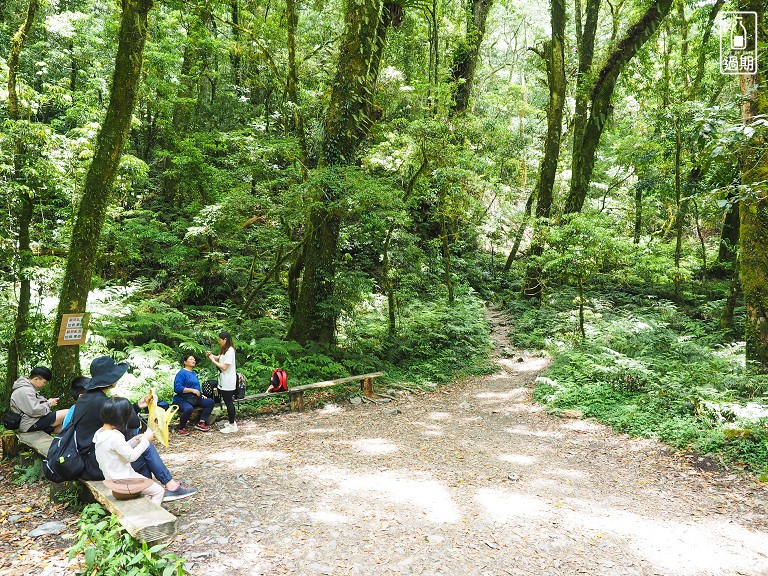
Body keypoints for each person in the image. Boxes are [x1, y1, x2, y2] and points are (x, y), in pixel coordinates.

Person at [69, 356, 197, 501]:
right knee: (146, 447)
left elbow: (119, 418)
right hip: (99, 466)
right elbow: (133, 423)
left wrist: (137, 406)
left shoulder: (86, 399)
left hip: (88, 459)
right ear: (111, 379)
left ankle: (150, 491)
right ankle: (169, 487)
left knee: (141, 451)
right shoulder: (102, 402)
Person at [93, 397, 165, 505]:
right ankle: (149, 517)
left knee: (146, 490)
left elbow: (118, 449)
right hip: (125, 481)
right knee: (159, 491)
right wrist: (146, 441)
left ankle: (145, 510)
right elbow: (131, 456)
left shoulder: (100, 433)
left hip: (112, 479)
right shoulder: (114, 436)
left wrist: (134, 441)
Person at [10, 366, 68, 434]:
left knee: (62, 427)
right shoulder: (25, 390)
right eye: (44, 382)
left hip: (31, 421)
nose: (44, 384)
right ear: (36, 379)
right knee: (67, 412)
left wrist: (47, 402)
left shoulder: (28, 388)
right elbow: (34, 410)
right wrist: (49, 404)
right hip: (28, 423)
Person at [172, 354, 214, 435]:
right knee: (188, 409)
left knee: (210, 402)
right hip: (182, 399)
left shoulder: (193, 373)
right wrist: (192, 390)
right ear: (185, 362)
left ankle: (201, 422)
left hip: (194, 398)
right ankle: (181, 427)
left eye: (194, 359)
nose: (193, 361)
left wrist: (201, 394)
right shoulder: (181, 373)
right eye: (191, 359)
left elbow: (196, 387)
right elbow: (177, 388)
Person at [206, 331, 238, 433]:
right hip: (223, 380)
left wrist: (213, 362)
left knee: (229, 402)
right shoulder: (225, 350)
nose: (219, 341)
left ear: (225, 339)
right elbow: (219, 358)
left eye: (220, 339)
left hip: (228, 381)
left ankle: (232, 425)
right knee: (227, 401)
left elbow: (224, 367)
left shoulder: (230, 351)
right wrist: (211, 356)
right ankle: (231, 422)